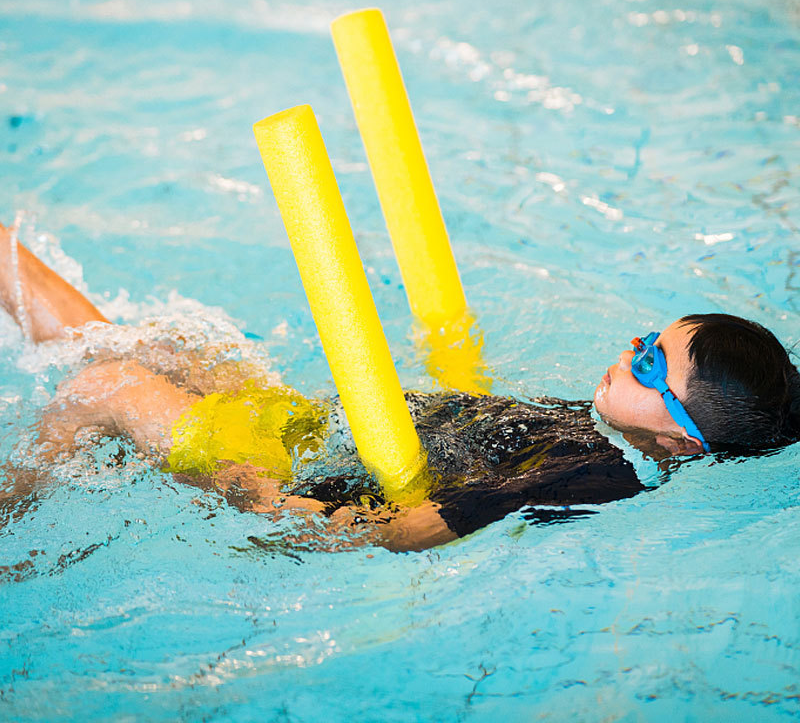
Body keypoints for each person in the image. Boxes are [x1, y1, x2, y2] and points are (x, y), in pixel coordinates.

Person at [1, 221, 799, 551]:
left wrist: (267, 502)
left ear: (678, 438)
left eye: (651, 365)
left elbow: (411, 530)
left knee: (106, 386)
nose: (630, 351)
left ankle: (15, 527)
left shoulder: (594, 476)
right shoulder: (605, 434)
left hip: (292, 476)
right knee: (159, 344)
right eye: (644, 340)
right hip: (319, 428)